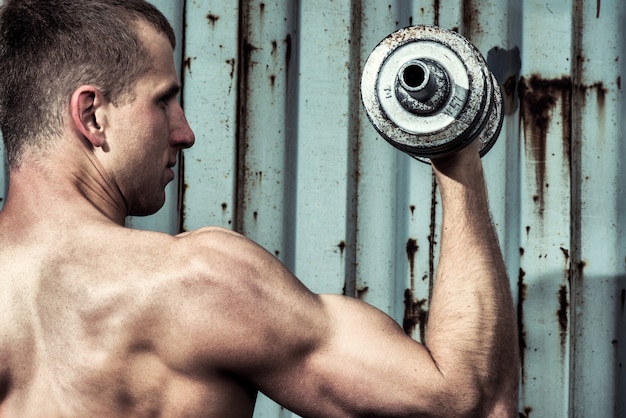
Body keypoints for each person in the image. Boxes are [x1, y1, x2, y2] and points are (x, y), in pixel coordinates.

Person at [0, 0, 519, 417]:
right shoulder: (196, 282)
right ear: (92, 115)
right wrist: (455, 148)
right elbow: (467, 401)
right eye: (164, 101)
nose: (185, 133)